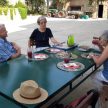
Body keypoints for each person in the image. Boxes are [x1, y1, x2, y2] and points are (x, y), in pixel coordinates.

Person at [90, 30, 108, 108]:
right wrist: (99, 45)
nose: (100, 41)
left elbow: (98, 62)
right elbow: (105, 53)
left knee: (93, 75)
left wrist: (92, 56)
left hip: (106, 76)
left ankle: (101, 95)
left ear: (106, 40)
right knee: (97, 73)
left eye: (101, 40)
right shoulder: (106, 48)